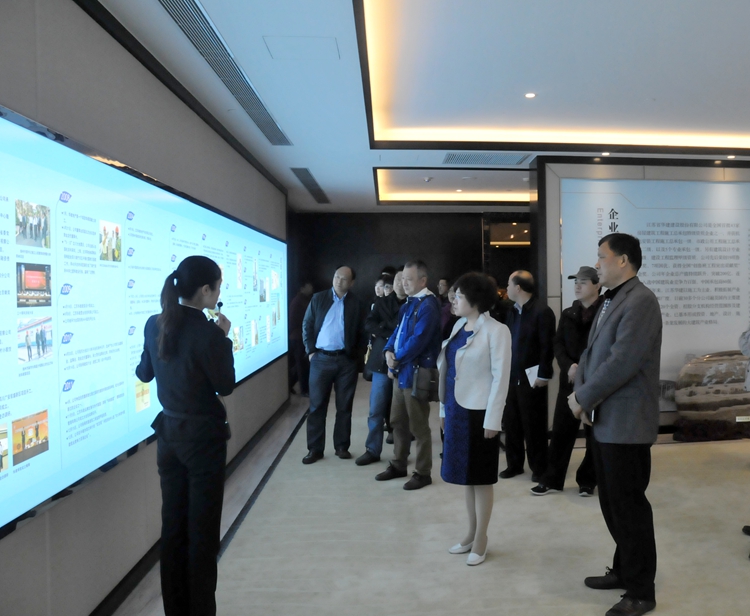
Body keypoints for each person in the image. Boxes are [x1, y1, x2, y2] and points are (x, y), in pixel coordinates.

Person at [135, 255, 235, 616]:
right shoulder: (208, 334)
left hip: (169, 439)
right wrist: (222, 338)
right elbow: (225, 385)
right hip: (203, 442)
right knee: (202, 536)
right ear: (205, 290)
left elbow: (144, 373)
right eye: (218, 287)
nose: (219, 293)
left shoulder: (154, 323)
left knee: (173, 530)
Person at [569, 233, 661, 616]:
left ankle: (641, 592)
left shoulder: (641, 300)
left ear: (623, 260)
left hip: (626, 422)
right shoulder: (612, 298)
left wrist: (582, 397)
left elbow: (622, 362)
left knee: (629, 507)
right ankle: (624, 570)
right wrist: (582, 392)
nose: (597, 263)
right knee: (612, 503)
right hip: (605, 419)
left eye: (602, 257)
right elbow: (593, 354)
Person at [438, 273, 511, 566]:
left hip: (480, 414)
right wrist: (443, 410)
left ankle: (481, 538)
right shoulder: (458, 326)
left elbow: (500, 378)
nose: (453, 301)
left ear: (475, 299)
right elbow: (448, 372)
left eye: (459, 296)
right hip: (457, 410)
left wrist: (493, 419)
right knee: (465, 477)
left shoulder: (497, 331)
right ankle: (470, 532)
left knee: (480, 478)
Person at [531, 266, 602, 496]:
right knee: (561, 431)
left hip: (594, 381)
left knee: (594, 435)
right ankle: (552, 479)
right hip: (569, 380)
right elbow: (558, 343)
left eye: (583, 282)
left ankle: (588, 480)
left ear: (597, 285)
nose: (577, 286)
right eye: (575, 282)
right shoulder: (569, 312)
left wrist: (582, 368)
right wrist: (568, 365)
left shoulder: (606, 313)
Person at [376, 260, 442, 490]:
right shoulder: (409, 303)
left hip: (415, 373)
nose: (403, 283)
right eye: (402, 278)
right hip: (401, 371)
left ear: (423, 281)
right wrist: (388, 351)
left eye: (409, 279)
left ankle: (423, 473)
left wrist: (396, 356)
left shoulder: (429, 305)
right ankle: (399, 463)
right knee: (397, 421)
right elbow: (398, 331)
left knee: (419, 426)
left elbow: (419, 339)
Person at [301, 266, 366, 464]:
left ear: (351, 283)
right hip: (320, 358)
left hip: (346, 361)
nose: (339, 281)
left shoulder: (357, 303)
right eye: (337, 276)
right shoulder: (318, 298)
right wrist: (310, 351)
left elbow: (363, 332)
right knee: (317, 406)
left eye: (344, 279)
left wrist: (356, 357)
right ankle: (315, 449)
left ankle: (341, 446)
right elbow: (307, 325)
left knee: (344, 406)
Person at [500, 270, 556, 481]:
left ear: (518, 287)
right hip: (511, 375)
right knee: (512, 423)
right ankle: (514, 464)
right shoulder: (512, 311)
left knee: (534, 425)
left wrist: (543, 374)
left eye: (508, 284)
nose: (506, 288)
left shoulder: (542, 311)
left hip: (532, 377)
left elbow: (547, 346)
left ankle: (539, 468)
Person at [356, 271, 407, 465]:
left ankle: (400, 455)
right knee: (376, 408)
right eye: (397, 280)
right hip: (380, 361)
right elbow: (369, 323)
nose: (400, 283)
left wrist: (385, 326)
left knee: (401, 413)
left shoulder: (413, 304)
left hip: (404, 361)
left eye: (404, 279)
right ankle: (372, 449)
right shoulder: (382, 302)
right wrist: (389, 330)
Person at [288, 282, 314, 396]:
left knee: (301, 364)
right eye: (308, 286)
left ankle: (288, 384)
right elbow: (293, 321)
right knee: (301, 364)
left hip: (303, 336)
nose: (311, 288)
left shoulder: (305, 300)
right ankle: (304, 390)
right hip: (298, 337)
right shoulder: (297, 301)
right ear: (302, 288)